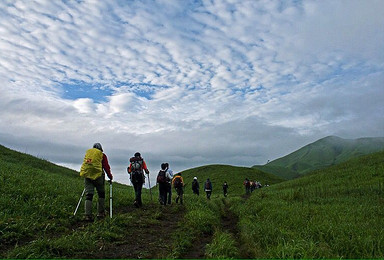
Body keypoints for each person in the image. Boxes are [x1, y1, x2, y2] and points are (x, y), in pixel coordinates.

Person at [79, 143, 113, 221]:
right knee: (101, 194)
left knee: (89, 195)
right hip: (98, 177)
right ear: (101, 149)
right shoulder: (102, 155)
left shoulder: (89, 154)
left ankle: (87, 215)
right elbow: (106, 167)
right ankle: (100, 213)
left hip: (87, 176)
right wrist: (110, 176)